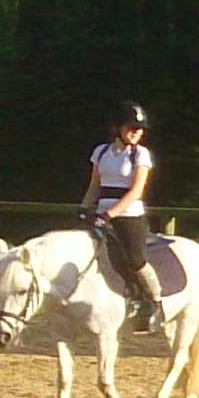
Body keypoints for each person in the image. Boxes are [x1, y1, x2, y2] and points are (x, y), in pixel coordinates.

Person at [84, 103, 162, 335]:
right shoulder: (101, 152)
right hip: (101, 215)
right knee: (106, 258)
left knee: (135, 258)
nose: (137, 131)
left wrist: (110, 214)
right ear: (118, 128)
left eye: (140, 129)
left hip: (129, 216)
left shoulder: (140, 155)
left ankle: (154, 301)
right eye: (132, 127)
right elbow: (94, 186)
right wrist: (84, 208)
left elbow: (136, 191)